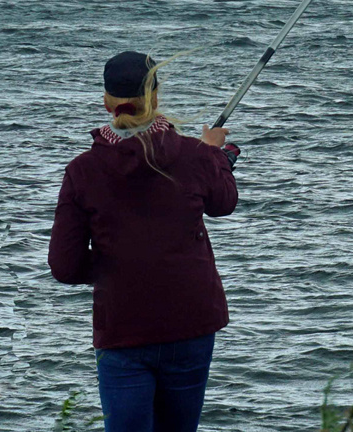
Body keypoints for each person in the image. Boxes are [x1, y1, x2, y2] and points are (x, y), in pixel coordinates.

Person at [49, 52, 240, 432]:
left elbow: (65, 267)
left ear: (107, 101)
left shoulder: (83, 171)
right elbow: (224, 202)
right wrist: (216, 155)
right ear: (154, 97)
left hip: (123, 326)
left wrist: (116, 267)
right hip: (192, 320)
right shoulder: (194, 155)